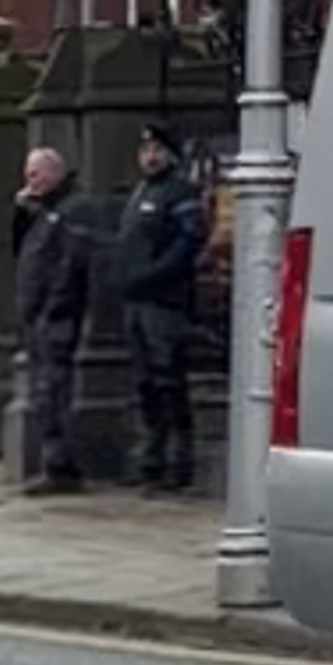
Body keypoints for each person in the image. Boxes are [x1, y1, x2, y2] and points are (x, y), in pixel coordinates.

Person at [117, 130, 205, 496]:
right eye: (145, 150)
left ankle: (177, 463)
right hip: (137, 301)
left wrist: (155, 274)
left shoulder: (179, 192)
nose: (150, 157)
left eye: (157, 150)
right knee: (145, 384)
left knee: (169, 382)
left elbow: (189, 242)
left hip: (164, 302)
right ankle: (150, 460)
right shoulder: (140, 193)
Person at [12, 138, 101, 490]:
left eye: (36, 173)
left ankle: (60, 466)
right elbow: (21, 253)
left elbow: (70, 265)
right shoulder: (41, 212)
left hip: (56, 317)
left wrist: (52, 309)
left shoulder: (71, 210)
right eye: (28, 174)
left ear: (55, 173)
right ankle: (55, 463)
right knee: (43, 391)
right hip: (36, 317)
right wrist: (22, 214)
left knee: (53, 391)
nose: (30, 180)